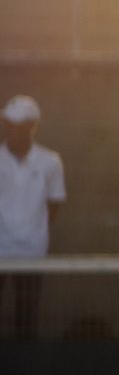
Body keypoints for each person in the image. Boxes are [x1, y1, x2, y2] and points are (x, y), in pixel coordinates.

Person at [0, 95, 66, 342]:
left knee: (26, 317)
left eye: (18, 125)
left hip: (32, 252)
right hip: (0, 250)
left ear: (32, 127)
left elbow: (55, 203)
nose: (11, 131)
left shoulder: (51, 162)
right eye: (8, 124)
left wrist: (34, 231)